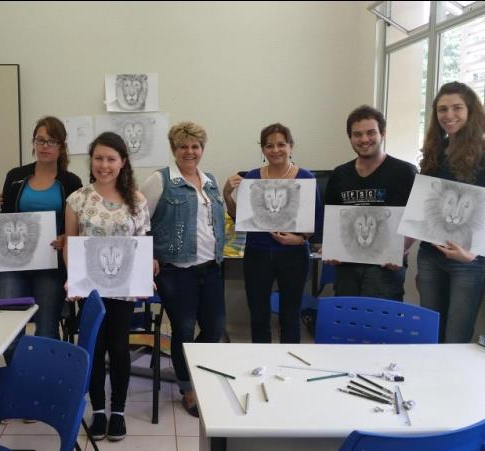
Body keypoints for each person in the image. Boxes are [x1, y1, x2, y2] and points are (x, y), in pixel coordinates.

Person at [64, 132, 151, 442]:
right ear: (92, 161)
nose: (104, 165)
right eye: (99, 158)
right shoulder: (77, 198)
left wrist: (145, 274)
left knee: (118, 347)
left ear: (122, 162)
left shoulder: (136, 200)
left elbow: (141, 245)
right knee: (95, 348)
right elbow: (70, 243)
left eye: (111, 159)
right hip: (89, 288)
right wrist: (72, 279)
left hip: (125, 287)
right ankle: (98, 410)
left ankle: (119, 411)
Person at [140, 122, 225, 417]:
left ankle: (196, 371)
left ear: (202, 148)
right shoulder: (159, 180)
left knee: (215, 329)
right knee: (185, 330)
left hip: (210, 267)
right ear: (174, 149)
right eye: (183, 147)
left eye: (195, 146)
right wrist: (147, 255)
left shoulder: (210, 180)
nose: (190, 152)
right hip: (176, 270)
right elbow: (139, 221)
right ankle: (188, 388)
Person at [417, 81, 485, 343]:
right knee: (428, 334)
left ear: (470, 111)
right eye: (442, 109)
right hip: (430, 255)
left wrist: (472, 253)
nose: (449, 115)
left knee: (456, 337)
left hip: (467, 260)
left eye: (457, 108)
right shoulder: (435, 151)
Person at [222, 123, 323, 344]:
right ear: (262, 150)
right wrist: (227, 194)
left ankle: (288, 365)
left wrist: (300, 238)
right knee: (258, 315)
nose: (275, 150)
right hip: (257, 253)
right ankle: (261, 364)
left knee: (291, 315)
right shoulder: (252, 177)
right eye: (269, 145)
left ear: (291, 146)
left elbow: (314, 219)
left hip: (294, 255)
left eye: (281, 144)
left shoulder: (305, 178)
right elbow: (242, 217)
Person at [0, 116, 82, 339]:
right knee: (10, 327)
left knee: (46, 327)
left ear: (61, 146)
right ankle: (17, 372)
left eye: (52, 141)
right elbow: (3, 219)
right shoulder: (15, 177)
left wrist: (65, 237)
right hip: (13, 263)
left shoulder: (72, 182)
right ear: (33, 143)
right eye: (40, 140)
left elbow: (78, 225)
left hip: (50, 264)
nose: (45, 146)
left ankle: (46, 373)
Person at [323, 105, 417, 301]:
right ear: (350, 138)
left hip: (385, 267)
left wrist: (401, 248)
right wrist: (330, 248)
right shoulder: (339, 174)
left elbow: (416, 218)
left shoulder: (405, 172)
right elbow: (330, 220)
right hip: (346, 266)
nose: (364, 139)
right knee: (347, 323)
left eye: (371, 133)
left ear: (382, 133)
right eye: (357, 134)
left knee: (379, 325)